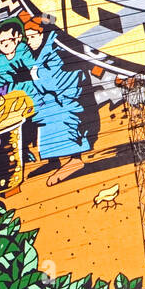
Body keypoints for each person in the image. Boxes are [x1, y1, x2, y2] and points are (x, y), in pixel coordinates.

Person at [21, 17, 93, 185]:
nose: (29, 41)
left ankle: (76, 159)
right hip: (49, 102)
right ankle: (53, 161)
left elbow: (57, 78)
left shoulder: (56, 47)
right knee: (45, 123)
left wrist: (36, 76)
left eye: (32, 36)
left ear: (41, 34)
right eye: (27, 37)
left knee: (63, 123)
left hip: (65, 99)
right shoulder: (43, 50)